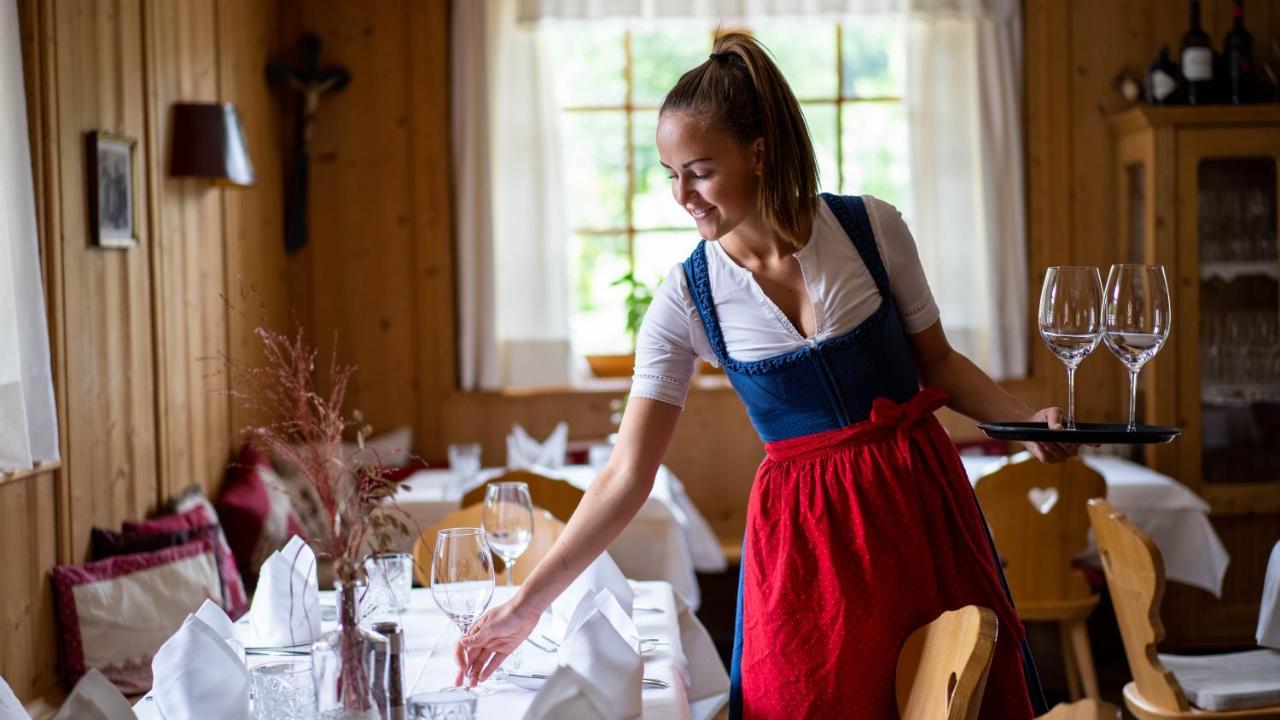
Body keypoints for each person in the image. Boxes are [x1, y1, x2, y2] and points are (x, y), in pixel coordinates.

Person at [455, 32, 1075, 719]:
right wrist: (523, 605)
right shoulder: (684, 299)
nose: (681, 195)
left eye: (699, 170)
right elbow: (626, 476)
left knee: (956, 693)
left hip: (919, 506)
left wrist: (1023, 422)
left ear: (759, 153)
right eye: (670, 173)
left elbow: (939, 362)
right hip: (806, 545)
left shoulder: (872, 229)